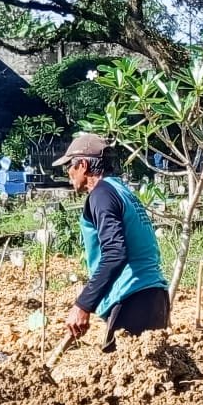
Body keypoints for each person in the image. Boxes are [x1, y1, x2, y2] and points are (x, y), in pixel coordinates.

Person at [56, 134, 170, 350]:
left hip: (132, 300)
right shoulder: (122, 191)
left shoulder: (101, 195)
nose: (68, 173)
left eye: (68, 167)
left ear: (82, 165)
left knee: (126, 377)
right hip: (154, 297)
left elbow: (115, 252)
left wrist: (83, 305)